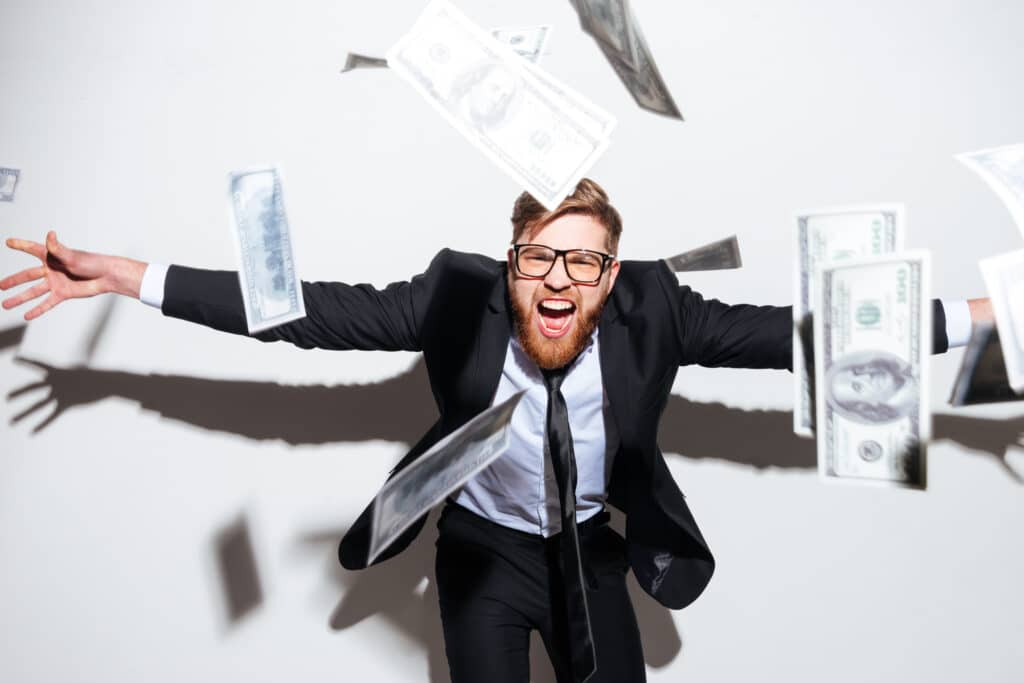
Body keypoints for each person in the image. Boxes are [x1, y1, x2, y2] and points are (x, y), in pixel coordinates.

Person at [0, 179, 991, 682]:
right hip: (478, 552)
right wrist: (132, 277)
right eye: (537, 258)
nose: (557, 279)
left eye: (583, 264)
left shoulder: (659, 310)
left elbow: (805, 334)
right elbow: (304, 310)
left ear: (611, 278)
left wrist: (991, 318)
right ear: (510, 262)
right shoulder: (453, 298)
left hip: (593, 550)